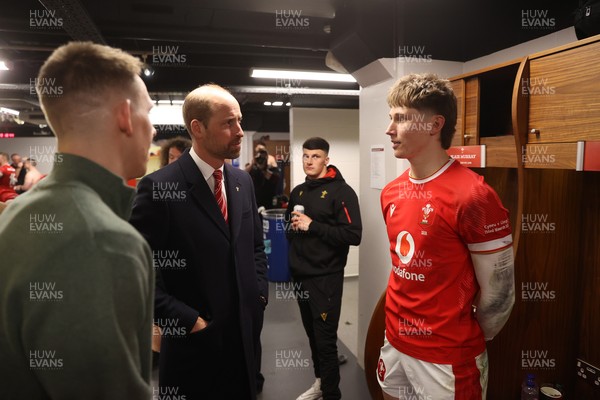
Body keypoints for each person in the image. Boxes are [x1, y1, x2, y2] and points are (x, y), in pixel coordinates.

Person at [0, 41, 156, 399]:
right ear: (125, 116)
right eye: (148, 112)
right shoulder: (103, 241)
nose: (154, 130)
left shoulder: (21, 212)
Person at [377, 73, 515, 400]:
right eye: (390, 118)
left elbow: (500, 295)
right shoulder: (391, 193)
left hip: (446, 357)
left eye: (400, 119)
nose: (389, 129)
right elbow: (405, 269)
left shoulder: (474, 196)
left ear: (434, 124)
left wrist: (459, 336)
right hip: (395, 341)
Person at [130, 83, 268, 400]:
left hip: (246, 341)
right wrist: (188, 321)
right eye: (228, 123)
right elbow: (137, 272)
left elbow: (255, 247)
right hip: (195, 348)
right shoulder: (160, 187)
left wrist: (258, 295)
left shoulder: (241, 181)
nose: (239, 131)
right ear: (198, 128)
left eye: (240, 121)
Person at [285, 137, 362, 400]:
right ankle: (321, 383)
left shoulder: (342, 192)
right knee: (312, 335)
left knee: (326, 340)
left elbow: (353, 234)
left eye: (316, 156)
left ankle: (332, 394)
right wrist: (295, 230)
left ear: (326, 159)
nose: (309, 161)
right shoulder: (298, 192)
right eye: (306, 156)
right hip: (301, 277)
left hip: (326, 279)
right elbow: (288, 228)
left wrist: (313, 226)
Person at [245, 143, 280, 209]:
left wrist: (264, 168)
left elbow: (275, 178)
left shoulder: (273, 169)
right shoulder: (253, 169)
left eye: (262, 152)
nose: (261, 157)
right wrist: (253, 163)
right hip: (255, 203)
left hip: (269, 204)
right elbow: (243, 175)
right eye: (258, 152)